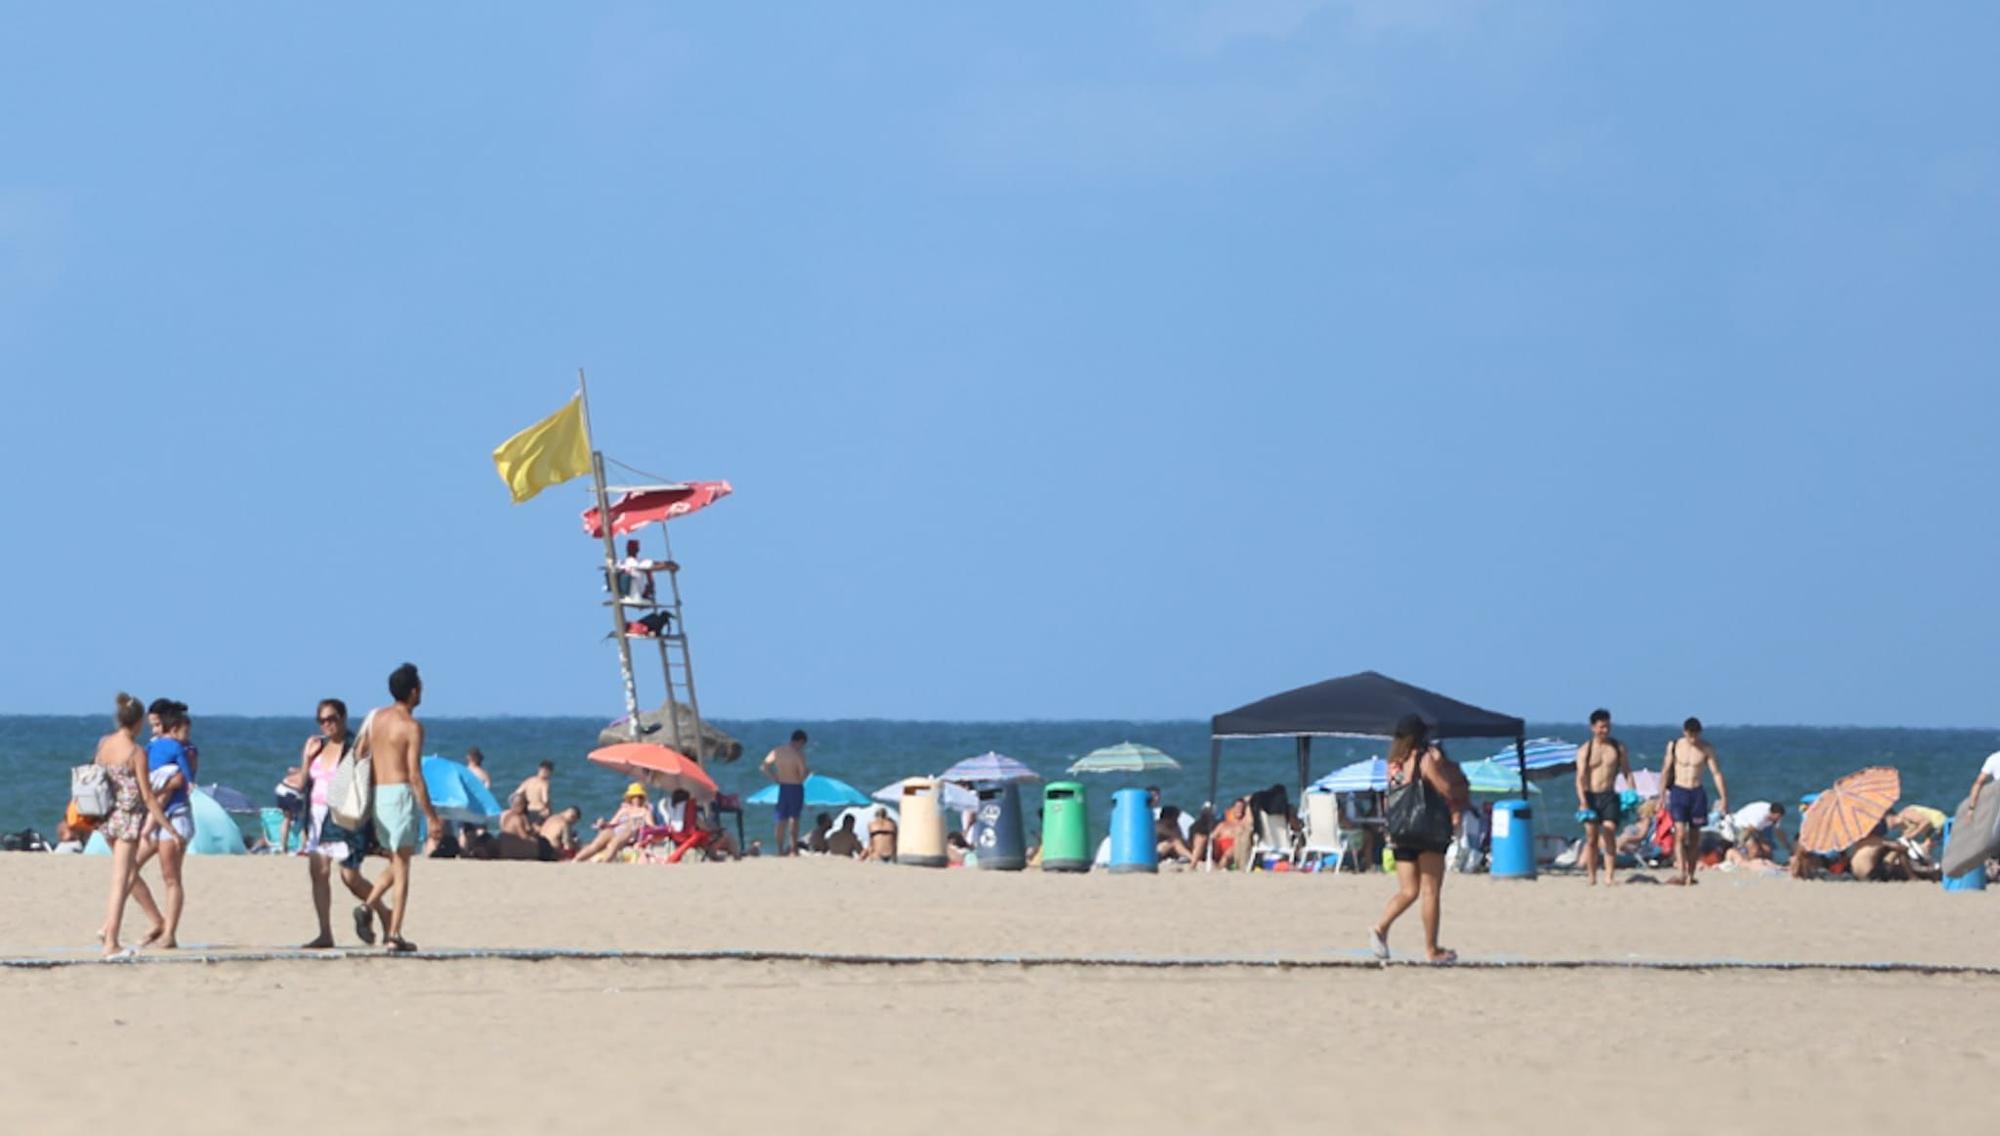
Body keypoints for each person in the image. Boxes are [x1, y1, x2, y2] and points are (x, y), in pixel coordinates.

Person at [358, 663, 443, 953]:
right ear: (413, 691)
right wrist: (432, 816)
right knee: (404, 866)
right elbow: (415, 774)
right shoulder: (411, 726)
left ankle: (368, 906)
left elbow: (360, 754)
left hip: (378, 792)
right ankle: (394, 932)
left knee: (396, 860)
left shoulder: (375, 719)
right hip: (400, 793)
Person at [297, 699, 392, 949]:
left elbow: (369, 781)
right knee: (319, 874)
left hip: (344, 818)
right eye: (322, 720)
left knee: (350, 877)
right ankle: (325, 933)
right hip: (316, 816)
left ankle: (382, 912)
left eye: (332, 719)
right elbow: (302, 784)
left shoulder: (354, 747)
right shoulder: (318, 747)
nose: (327, 725)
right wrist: (306, 760)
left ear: (343, 718)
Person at [1370, 715, 1463, 965]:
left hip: (1401, 831)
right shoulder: (1423, 759)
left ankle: (1381, 927)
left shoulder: (1393, 763)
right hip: (1426, 829)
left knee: (1408, 890)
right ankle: (1431, 949)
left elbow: (1392, 796)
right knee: (1430, 890)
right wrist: (1442, 765)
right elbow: (1445, 788)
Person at [97, 693, 171, 958]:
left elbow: (98, 776)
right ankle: (110, 942)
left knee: (125, 875)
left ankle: (110, 934)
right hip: (127, 819)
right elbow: (148, 796)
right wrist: (167, 826)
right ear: (138, 722)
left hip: (106, 817)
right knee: (121, 881)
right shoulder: (136, 752)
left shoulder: (104, 743)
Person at [140, 702, 197, 950]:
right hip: (156, 815)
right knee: (130, 869)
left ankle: (169, 933)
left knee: (170, 876)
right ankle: (159, 922)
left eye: (155, 724)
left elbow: (184, 780)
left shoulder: (186, 749)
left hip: (175, 815)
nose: (152, 728)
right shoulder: (151, 747)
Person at [1657, 717, 1729, 887]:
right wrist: (1661, 795)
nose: (1693, 739)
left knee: (1695, 836)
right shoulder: (1674, 746)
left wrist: (1724, 797)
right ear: (1684, 732)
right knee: (1680, 834)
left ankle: (1690, 873)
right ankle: (1681, 872)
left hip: (1696, 792)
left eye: (1696, 735)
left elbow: (1716, 773)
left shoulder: (1706, 748)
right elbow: (1666, 770)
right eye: (1690, 735)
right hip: (1679, 791)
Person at [1574, 709, 1634, 886]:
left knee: (1609, 832)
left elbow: (1627, 772)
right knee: (1592, 838)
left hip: (1609, 795)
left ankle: (1609, 876)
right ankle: (1592, 876)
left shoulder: (1617, 747)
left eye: (1607, 726)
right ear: (1593, 727)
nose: (1605, 730)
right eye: (1601, 727)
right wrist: (1583, 801)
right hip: (1590, 796)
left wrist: (1632, 792)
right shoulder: (1586, 750)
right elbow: (1579, 779)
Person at [572, 784, 654, 863]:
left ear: (643, 798)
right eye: (634, 797)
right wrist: (603, 824)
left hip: (630, 831)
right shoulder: (624, 809)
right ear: (630, 798)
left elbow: (652, 827)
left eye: (639, 797)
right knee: (596, 845)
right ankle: (575, 860)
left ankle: (603, 864)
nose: (637, 799)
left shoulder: (645, 811)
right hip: (615, 830)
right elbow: (612, 823)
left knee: (614, 844)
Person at [761, 730, 810, 855]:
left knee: (781, 819)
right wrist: (806, 775)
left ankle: (779, 849)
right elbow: (802, 773)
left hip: (783, 786)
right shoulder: (798, 754)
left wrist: (774, 778)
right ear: (800, 741)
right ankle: (794, 848)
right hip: (795, 786)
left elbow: (764, 766)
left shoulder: (778, 751)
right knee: (794, 818)